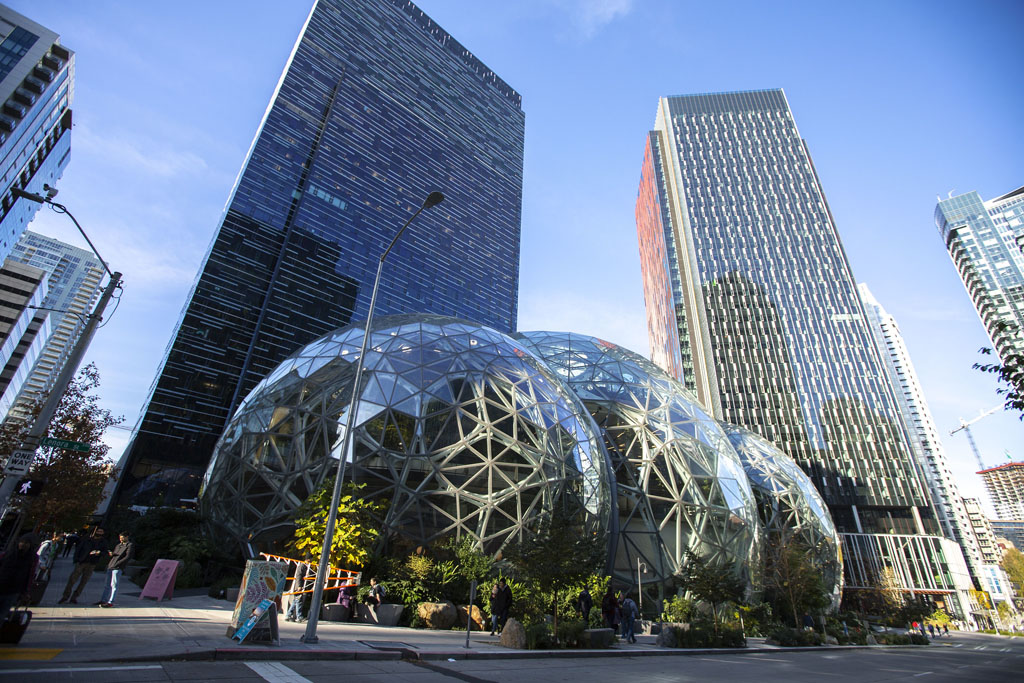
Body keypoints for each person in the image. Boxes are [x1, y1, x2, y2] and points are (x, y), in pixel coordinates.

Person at [58, 528, 108, 604]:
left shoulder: (103, 542)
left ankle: (74, 597)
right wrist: (76, 560)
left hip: (92, 563)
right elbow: (78, 549)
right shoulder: (87, 539)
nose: (99, 533)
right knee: (72, 579)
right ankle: (65, 596)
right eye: (98, 531)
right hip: (82, 561)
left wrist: (99, 553)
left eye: (101, 532)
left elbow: (105, 552)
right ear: (95, 531)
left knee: (84, 581)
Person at [0, 535, 37, 622]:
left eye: (26, 543)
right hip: (2, 585)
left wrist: (26, 591)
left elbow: (30, 576)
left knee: (2, 615)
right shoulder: (7, 554)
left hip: (14, 590)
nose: (23, 545)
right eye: (22, 542)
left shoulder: (32, 558)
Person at [99, 532, 135, 607]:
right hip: (111, 565)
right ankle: (103, 600)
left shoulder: (129, 545)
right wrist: (111, 554)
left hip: (118, 566)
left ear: (127, 537)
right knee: (107, 584)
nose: (121, 539)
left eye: (122, 538)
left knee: (114, 585)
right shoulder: (118, 545)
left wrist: (118, 563)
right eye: (120, 538)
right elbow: (115, 554)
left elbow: (127, 557)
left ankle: (111, 601)